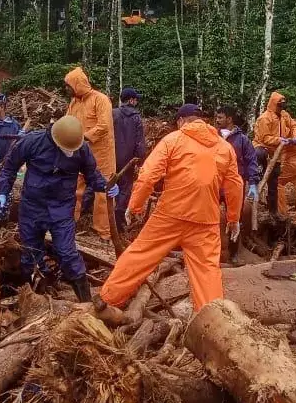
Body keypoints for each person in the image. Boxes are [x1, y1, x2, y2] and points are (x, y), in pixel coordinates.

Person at [96, 105, 243, 320]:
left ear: (182, 121)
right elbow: (234, 185)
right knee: (207, 271)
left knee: (140, 255)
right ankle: (214, 321)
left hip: (170, 215)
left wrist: (134, 205)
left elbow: (148, 175)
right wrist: (233, 219)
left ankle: (107, 300)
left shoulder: (173, 140)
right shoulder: (223, 147)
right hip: (205, 219)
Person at [0, 115, 117, 301]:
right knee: (30, 254)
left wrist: (106, 186)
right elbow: (9, 168)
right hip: (32, 207)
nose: (69, 152)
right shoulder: (32, 141)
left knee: (67, 253)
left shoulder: (81, 149)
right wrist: (2, 193)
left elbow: (92, 174)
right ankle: (36, 298)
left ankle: (86, 302)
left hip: (62, 209)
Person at [64, 67, 116, 240]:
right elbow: (68, 122)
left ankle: (104, 233)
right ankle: (69, 223)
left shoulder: (100, 100)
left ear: (77, 85)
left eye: (68, 85)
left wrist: (82, 137)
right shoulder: (74, 103)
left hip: (101, 154)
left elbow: (104, 126)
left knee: (102, 193)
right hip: (79, 153)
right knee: (74, 187)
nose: (66, 89)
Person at [216, 105, 260, 260]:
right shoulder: (212, 136)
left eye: (220, 117)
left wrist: (253, 182)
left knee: (235, 219)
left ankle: (234, 254)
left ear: (229, 119)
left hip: (235, 185)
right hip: (215, 184)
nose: (217, 120)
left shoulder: (242, 140)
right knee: (208, 217)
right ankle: (213, 253)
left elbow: (251, 161)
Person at [253, 92, 296, 224]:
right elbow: (264, 138)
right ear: (274, 104)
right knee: (259, 158)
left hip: (277, 153)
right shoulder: (264, 118)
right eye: (279, 106)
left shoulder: (285, 116)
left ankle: (273, 211)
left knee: (274, 182)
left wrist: (295, 137)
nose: (281, 108)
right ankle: (257, 179)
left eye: (283, 106)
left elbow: (293, 125)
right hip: (263, 148)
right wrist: (280, 140)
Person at [112, 88, 146, 226]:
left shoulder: (112, 113)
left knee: (107, 185)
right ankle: (118, 220)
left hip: (111, 157)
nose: (136, 101)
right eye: (135, 99)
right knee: (125, 189)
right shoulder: (136, 117)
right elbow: (140, 141)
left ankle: (101, 216)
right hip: (128, 160)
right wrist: (140, 158)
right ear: (131, 100)